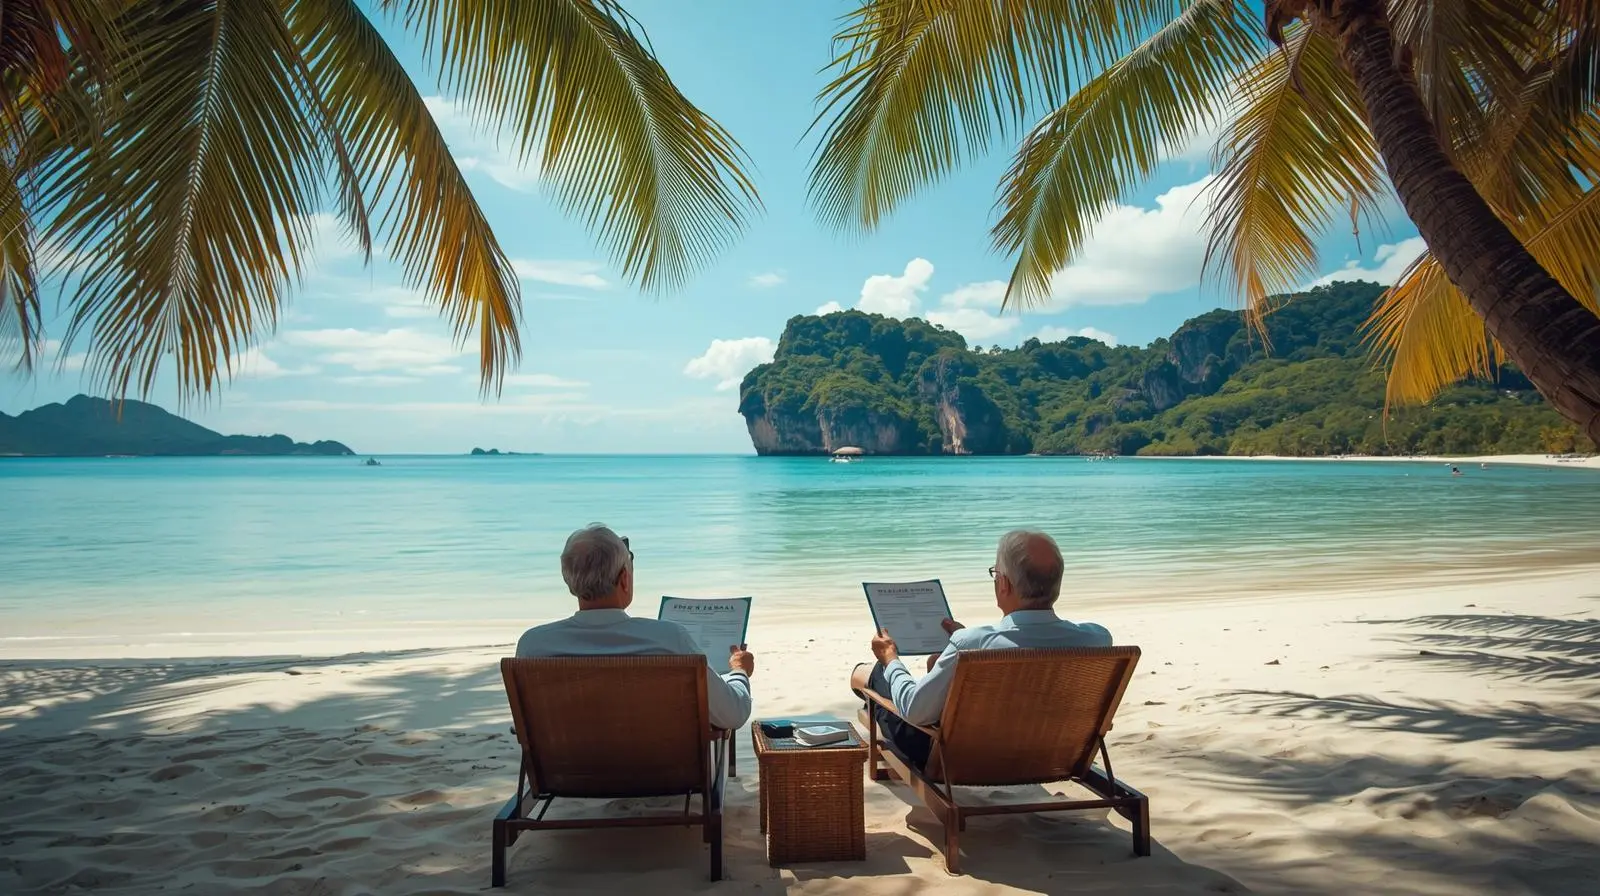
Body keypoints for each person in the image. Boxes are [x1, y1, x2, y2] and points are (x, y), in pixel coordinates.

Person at [850, 529, 1111, 769]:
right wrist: (963, 639)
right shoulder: (1097, 639)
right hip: (1054, 753)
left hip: (963, 759)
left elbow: (915, 711)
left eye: (995, 574)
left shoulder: (970, 644)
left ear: (1005, 584)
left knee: (869, 675)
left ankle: (865, 676)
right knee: (935, 664)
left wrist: (890, 659)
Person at [516, 524, 755, 729]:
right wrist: (739, 670)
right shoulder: (669, 640)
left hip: (565, 781)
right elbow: (733, 714)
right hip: (663, 782)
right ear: (624, 579)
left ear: (568, 580)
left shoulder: (534, 646)